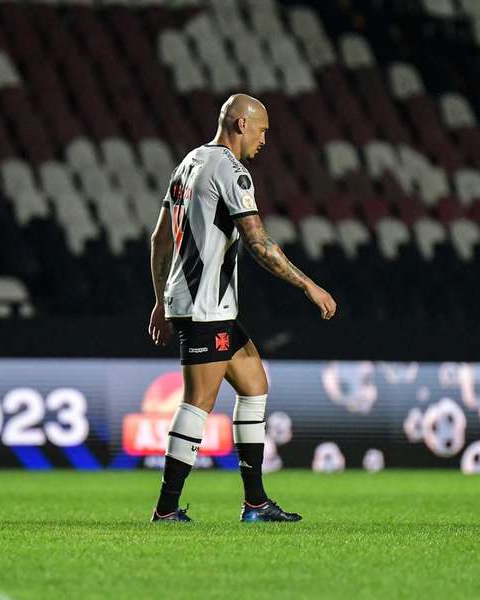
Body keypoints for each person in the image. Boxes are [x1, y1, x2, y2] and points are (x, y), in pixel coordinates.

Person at [148, 94, 337, 522]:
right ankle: (166, 509)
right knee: (199, 401)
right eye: (262, 130)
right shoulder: (233, 172)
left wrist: (161, 300)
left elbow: (160, 238)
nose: (265, 139)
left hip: (201, 303)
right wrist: (309, 285)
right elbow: (258, 243)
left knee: (254, 386)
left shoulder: (189, 162)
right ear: (240, 124)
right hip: (204, 306)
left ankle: (255, 504)